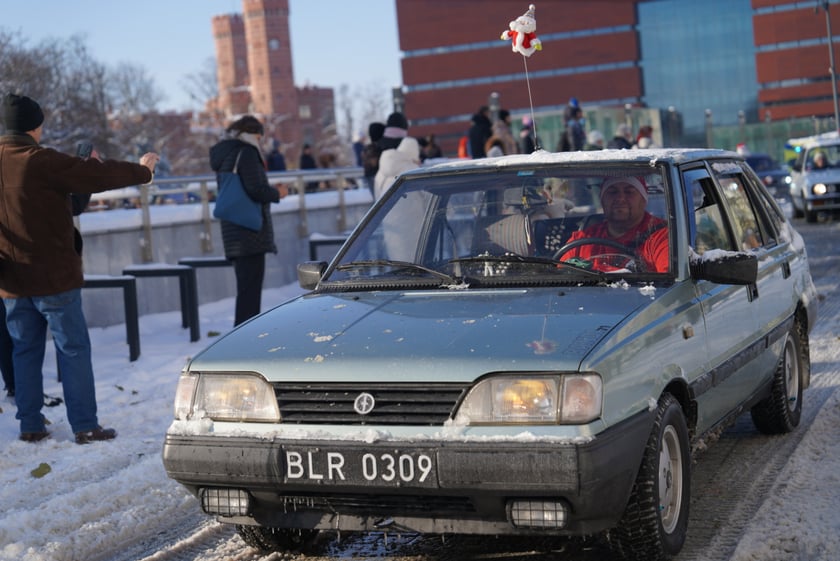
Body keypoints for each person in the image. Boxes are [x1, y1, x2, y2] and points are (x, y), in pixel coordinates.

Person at [0, 92, 159, 444]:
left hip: (11, 280)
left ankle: (30, 424)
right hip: (54, 277)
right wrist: (143, 172)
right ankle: (85, 424)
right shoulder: (39, 160)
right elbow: (96, 177)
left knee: (23, 350)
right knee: (72, 348)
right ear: (35, 127)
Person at [209, 115, 287, 327]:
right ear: (253, 134)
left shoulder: (227, 153)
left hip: (233, 229)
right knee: (250, 291)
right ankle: (244, 338)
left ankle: (242, 336)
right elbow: (255, 189)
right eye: (260, 137)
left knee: (245, 288)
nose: (261, 142)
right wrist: (278, 193)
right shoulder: (247, 153)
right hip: (249, 231)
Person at [560, 176, 669, 273]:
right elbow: (559, 279)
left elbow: (670, 286)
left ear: (643, 200)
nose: (620, 198)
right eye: (612, 192)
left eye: (629, 192)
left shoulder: (662, 237)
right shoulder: (582, 240)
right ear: (602, 200)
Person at [374, 136, 421, 200]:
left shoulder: (381, 170)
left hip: (386, 209)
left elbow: (377, 195)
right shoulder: (413, 169)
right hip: (412, 209)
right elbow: (425, 195)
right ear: (415, 151)